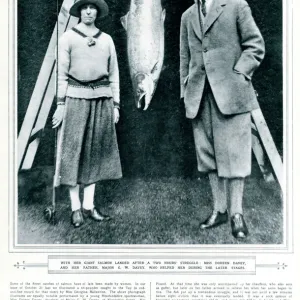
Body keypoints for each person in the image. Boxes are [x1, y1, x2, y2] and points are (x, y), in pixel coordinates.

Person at [180, 0, 265, 239]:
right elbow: (184, 59)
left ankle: (236, 214)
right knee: (208, 156)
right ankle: (219, 209)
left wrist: (239, 76)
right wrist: (185, 93)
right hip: (199, 95)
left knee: (235, 155)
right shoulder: (188, 15)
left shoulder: (237, 5)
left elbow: (255, 46)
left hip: (231, 95)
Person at [52, 0, 122, 228]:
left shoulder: (107, 40)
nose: (89, 11)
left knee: (96, 154)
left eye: (93, 7)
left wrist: (116, 105)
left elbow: (114, 76)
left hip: (102, 100)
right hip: (75, 99)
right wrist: (61, 105)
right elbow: (61, 75)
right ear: (79, 11)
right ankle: (75, 208)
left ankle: (89, 206)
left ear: (98, 12)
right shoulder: (68, 39)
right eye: (84, 7)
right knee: (74, 154)